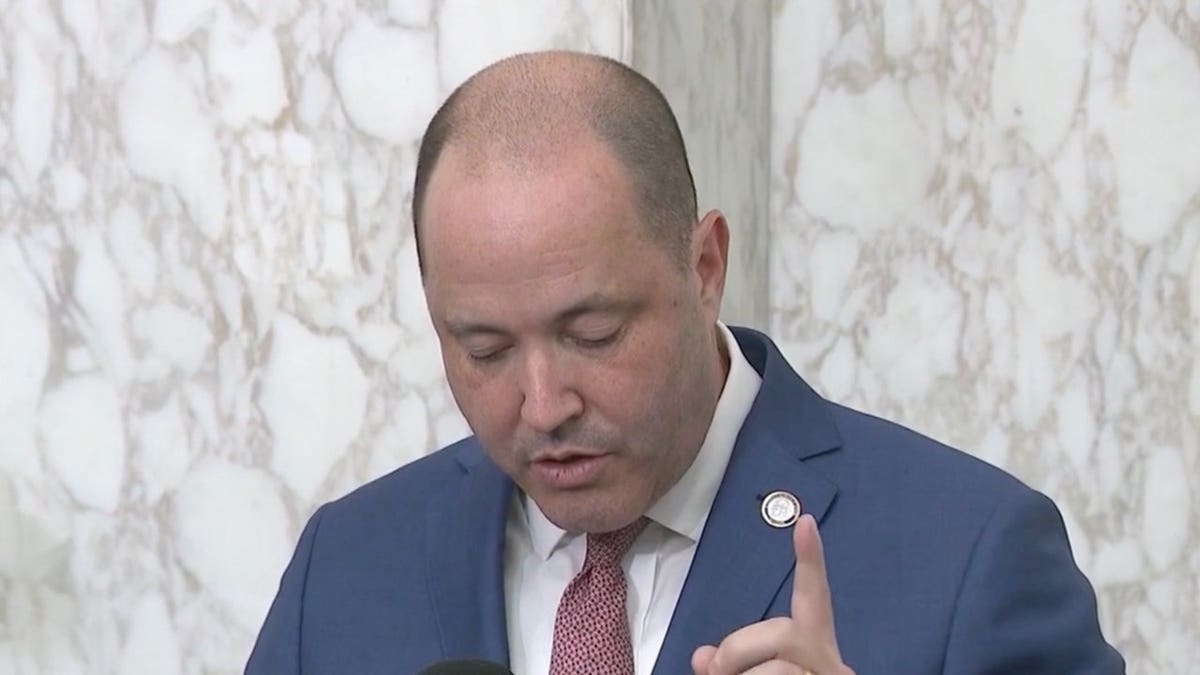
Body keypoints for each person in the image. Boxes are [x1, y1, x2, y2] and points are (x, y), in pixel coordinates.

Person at [246, 51, 1123, 675]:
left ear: (704, 267)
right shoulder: (349, 567)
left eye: (593, 333)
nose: (542, 403)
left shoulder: (969, 555)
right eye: (484, 350)